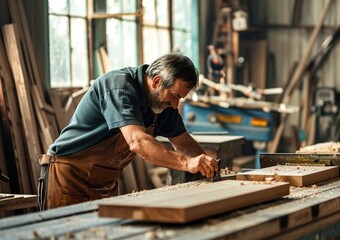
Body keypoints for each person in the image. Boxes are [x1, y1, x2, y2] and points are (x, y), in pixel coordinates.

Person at [37, 53, 219, 210]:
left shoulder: (164, 107)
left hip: (104, 183)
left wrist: (210, 169)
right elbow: (137, 142)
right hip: (68, 176)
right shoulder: (119, 87)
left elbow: (185, 144)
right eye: (174, 95)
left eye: (180, 98)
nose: (175, 104)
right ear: (156, 81)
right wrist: (187, 163)